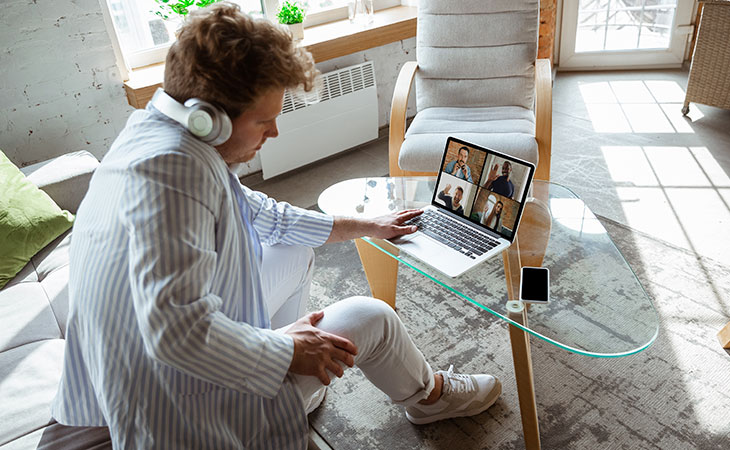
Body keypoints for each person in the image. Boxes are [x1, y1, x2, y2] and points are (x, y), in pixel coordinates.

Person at [50, 4, 501, 449]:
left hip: (128, 368)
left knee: (292, 248)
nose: (275, 132)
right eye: (265, 120)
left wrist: (370, 224)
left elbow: (269, 217)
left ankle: (294, 382)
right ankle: (428, 397)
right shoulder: (177, 174)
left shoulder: (159, 134)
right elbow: (177, 333)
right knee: (375, 318)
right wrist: (287, 351)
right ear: (213, 118)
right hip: (174, 408)